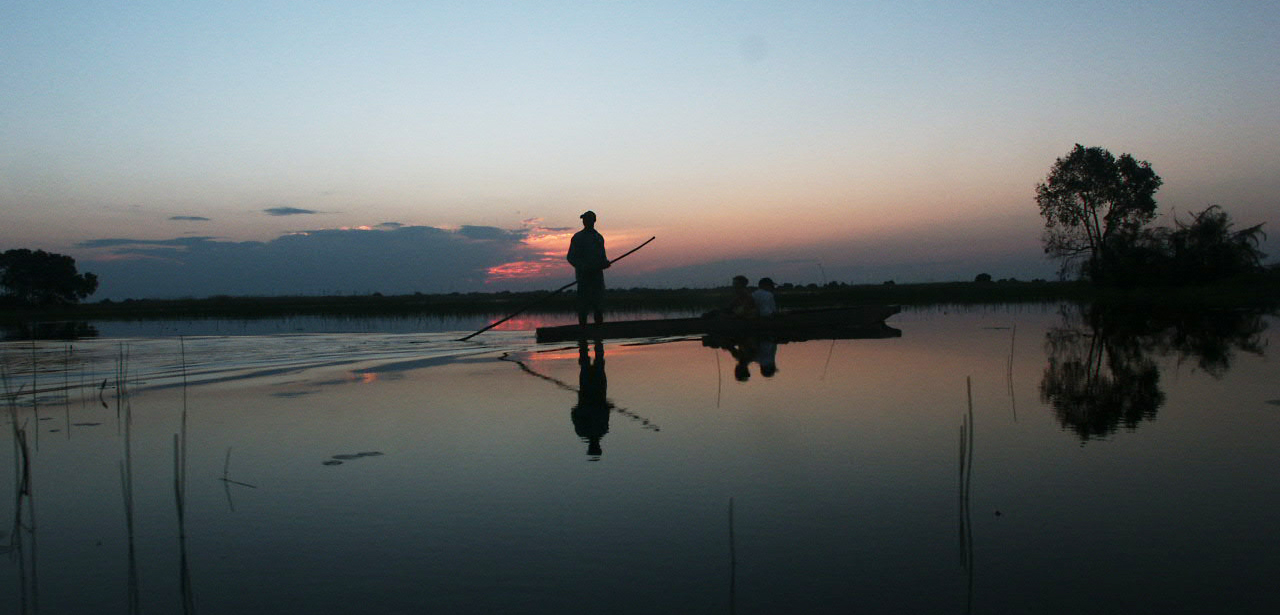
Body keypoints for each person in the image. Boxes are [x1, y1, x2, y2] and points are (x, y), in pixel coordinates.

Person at [566, 210, 609, 326]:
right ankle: (583, 336)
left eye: (588, 219)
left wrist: (605, 263)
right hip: (584, 279)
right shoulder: (578, 237)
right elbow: (571, 257)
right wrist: (584, 267)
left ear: (594, 221)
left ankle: (599, 336)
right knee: (583, 309)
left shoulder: (599, 238)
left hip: (597, 280)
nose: (585, 221)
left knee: (598, 307)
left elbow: (603, 258)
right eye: (584, 219)